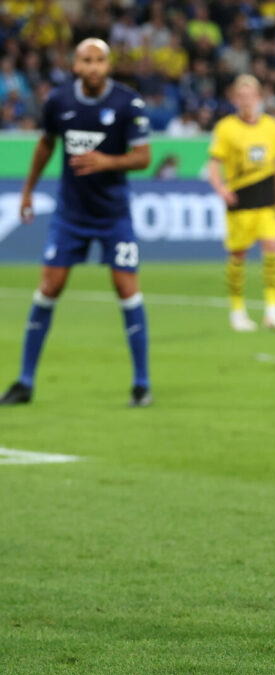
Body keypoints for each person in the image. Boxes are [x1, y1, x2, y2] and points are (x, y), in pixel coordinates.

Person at [0, 38, 152, 407]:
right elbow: (45, 145)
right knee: (49, 287)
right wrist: (27, 192)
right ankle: (24, 380)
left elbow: (143, 157)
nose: (95, 66)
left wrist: (106, 162)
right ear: (76, 66)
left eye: (101, 60)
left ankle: (141, 383)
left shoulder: (127, 104)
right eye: (88, 60)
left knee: (126, 288)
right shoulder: (59, 101)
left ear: (108, 65)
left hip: (114, 215)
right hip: (71, 215)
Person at [207, 74, 275, 332]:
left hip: (266, 199)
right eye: (240, 96)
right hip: (240, 198)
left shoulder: (271, 126)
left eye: (250, 95)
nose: (246, 100)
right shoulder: (225, 128)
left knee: (272, 252)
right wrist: (221, 189)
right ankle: (237, 311)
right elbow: (213, 165)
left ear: (258, 97)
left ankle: (273, 311)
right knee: (238, 256)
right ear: (234, 98)